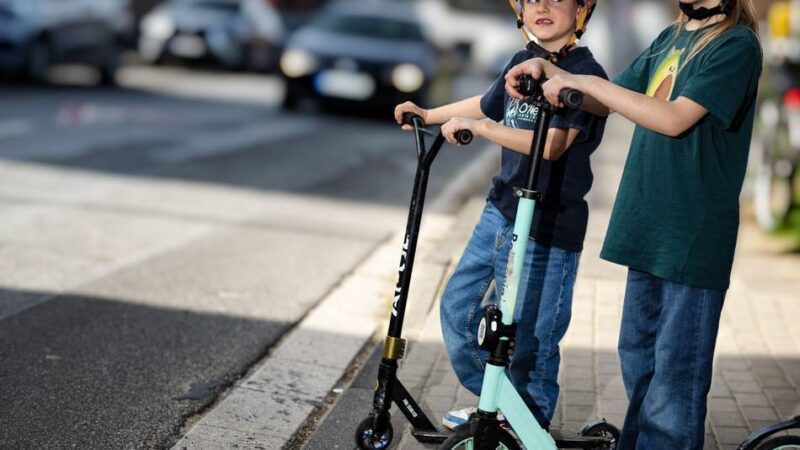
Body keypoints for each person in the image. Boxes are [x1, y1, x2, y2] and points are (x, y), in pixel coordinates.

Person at [504, 0, 762, 448]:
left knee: (674, 380)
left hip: (690, 234)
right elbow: (606, 101)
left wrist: (581, 81)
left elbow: (673, 117)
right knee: (639, 363)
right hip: (647, 224)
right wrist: (549, 72)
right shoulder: (670, 37)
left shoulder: (735, 45)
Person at [394, 0, 607, 430]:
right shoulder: (520, 62)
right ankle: (499, 401)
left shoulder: (585, 77)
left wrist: (486, 132)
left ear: (582, 9)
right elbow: (487, 103)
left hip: (548, 226)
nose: (541, 6)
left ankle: (527, 420)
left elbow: (552, 146)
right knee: (459, 308)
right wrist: (431, 115)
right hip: (499, 213)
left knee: (532, 336)